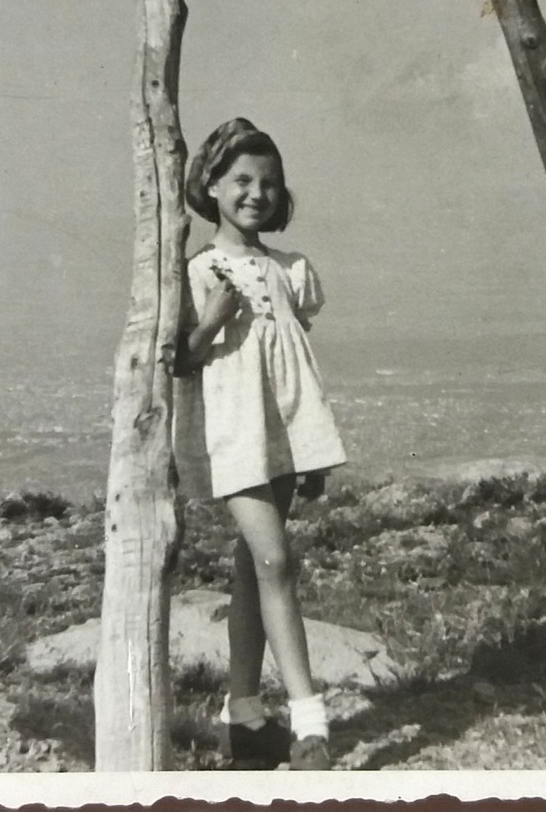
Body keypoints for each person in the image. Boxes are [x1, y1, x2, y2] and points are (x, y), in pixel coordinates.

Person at [174, 117, 347, 772]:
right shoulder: (198, 272)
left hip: (281, 432)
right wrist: (211, 322)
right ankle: (310, 722)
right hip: (233, 435)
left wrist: (310, 450)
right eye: (241, 179)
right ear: (212, 185)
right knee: (276, 562)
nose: (256, 193)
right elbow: (181, 362)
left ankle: (242, 713)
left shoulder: (290, 270)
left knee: (253, 567)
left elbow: (292, 359)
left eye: (268, 182)